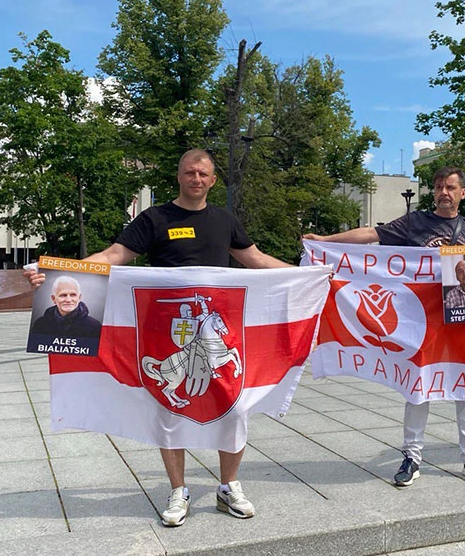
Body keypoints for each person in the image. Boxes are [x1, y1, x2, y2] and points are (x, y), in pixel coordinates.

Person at [25, 149, 290, 528]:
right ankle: (178, 490)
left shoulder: (225, 221)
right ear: (178, 176)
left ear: (213, 180)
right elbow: (114, 255)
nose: (196, 179)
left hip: (219, 330)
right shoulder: (155, 219)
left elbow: (258, 260)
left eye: (203, 174)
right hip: (166, 333)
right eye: (189, 172)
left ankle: (228, 485)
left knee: (234, 407)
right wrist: (57, 272)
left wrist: (309, 275)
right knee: (169, 409)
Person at [304, 166, 465, 487]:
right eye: (438, 187)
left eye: (450, 187)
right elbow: (372, 234)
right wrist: (325, 241)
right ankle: (412, 456)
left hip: (463, 322)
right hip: (423, 323)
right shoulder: (416, 222)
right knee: (418, 386)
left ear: (463, 193)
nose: (444, 192)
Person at [30, 275, 102, 337]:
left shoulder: (94, 326)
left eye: (73, 295)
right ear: (53, 299)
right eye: (63, 295)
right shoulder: (40, 324)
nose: (68, 300)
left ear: (79, 297)